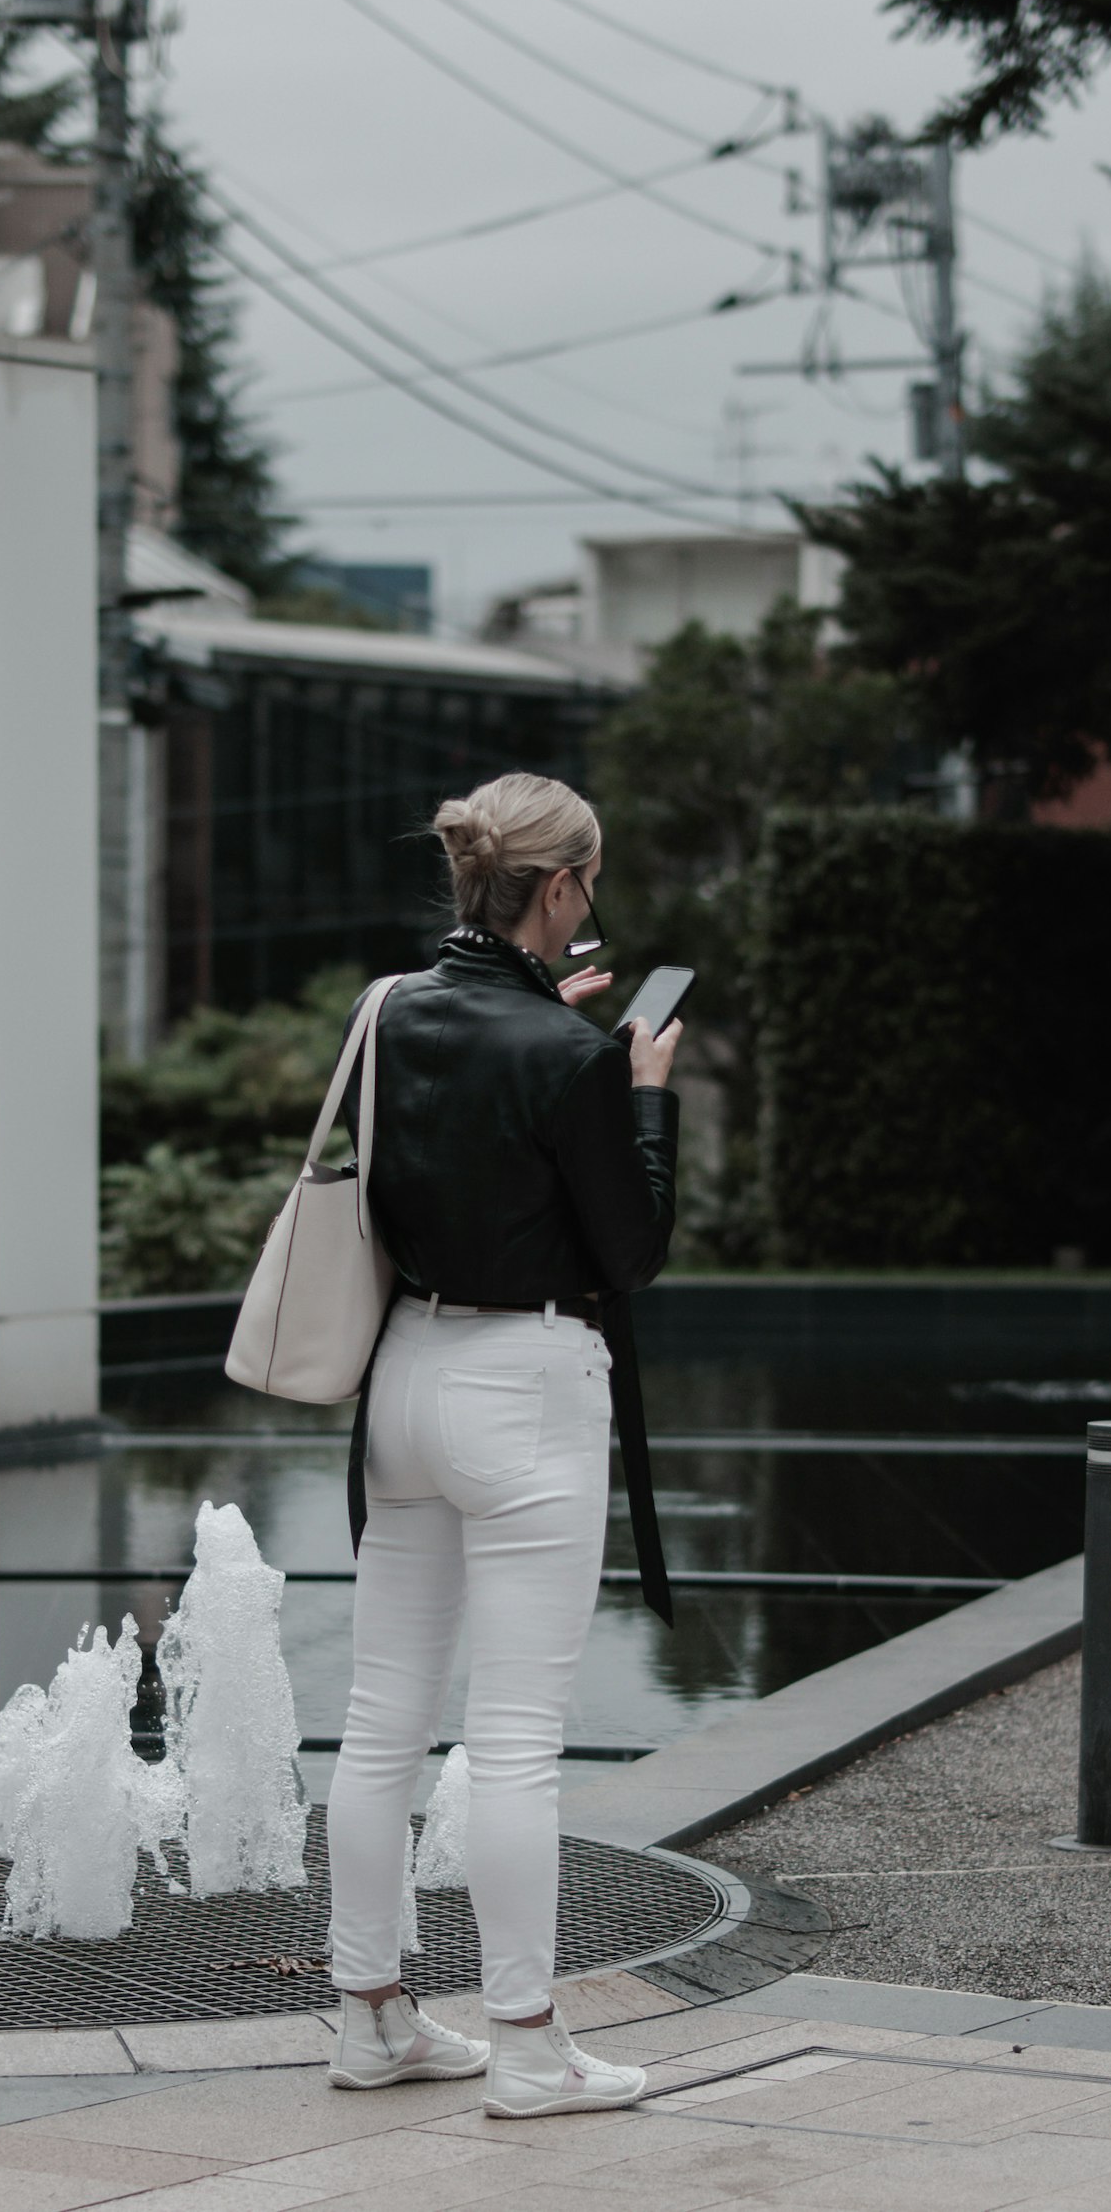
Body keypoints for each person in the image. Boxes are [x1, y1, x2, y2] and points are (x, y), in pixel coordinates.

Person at [321, 772, 681, 2116]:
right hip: (524, 1384)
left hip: (401, 1369)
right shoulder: (573, 1053)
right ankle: (526, 2040)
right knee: (517, 1737)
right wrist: (639, 1091)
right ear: (564, 886)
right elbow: (631, 1251)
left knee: (377, 1724)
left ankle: (370, 2017)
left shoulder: (393, 1008)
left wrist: (565, 1047)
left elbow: (439, 1132)